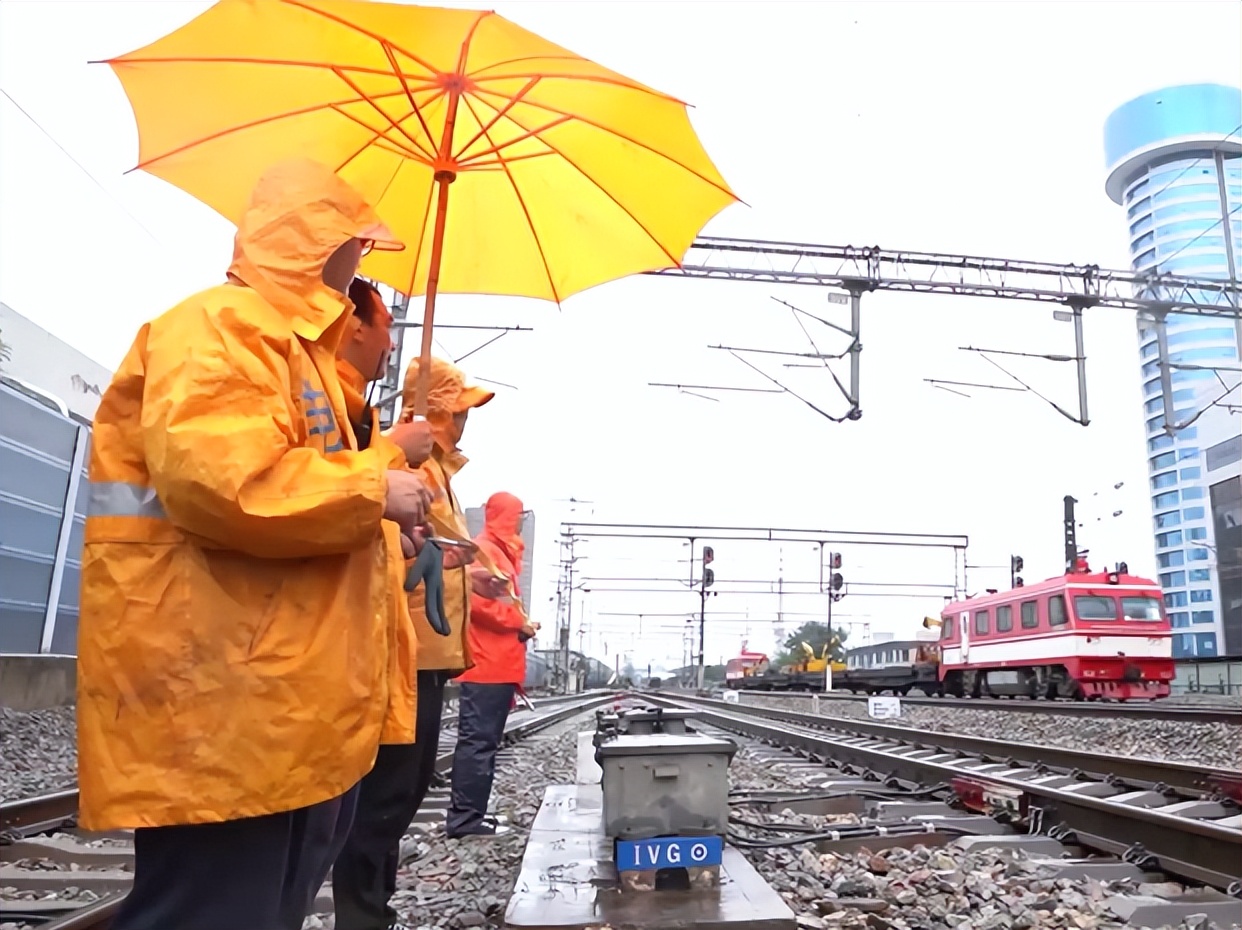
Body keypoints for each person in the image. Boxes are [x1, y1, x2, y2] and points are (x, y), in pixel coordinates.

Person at [77, 157, 437, 930]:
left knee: (262, 910)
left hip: (282, 700)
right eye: (357, 242)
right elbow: (227, 484)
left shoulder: (294, 351)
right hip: (225, 699)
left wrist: (384, 506)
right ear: (320, 240)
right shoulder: (221, 327)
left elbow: (302, 492)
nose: (362, 259)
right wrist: (376, 487)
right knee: (212, 912)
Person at [332, 354, 507, 930]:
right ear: (438, 412)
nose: (466, 420)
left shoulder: (436, 472)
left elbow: (423, 551)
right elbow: (390, 553)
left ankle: (373, 909)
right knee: (388, 793)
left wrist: (467, 573)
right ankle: (361, 915)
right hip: (405, 647)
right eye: (460, 410)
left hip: (426, 651)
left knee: (401, 793)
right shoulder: (412, 468)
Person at [447, 491, 539, 838]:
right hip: (486, 664)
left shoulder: (496, 551)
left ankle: (473, 814)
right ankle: (464, 820)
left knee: (483, 742)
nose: (518, 523)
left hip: (496, 663)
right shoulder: (484, 550)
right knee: (478, 742)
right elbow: (475, 602)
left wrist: (520, 623)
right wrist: (519, 623)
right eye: (516, 516)